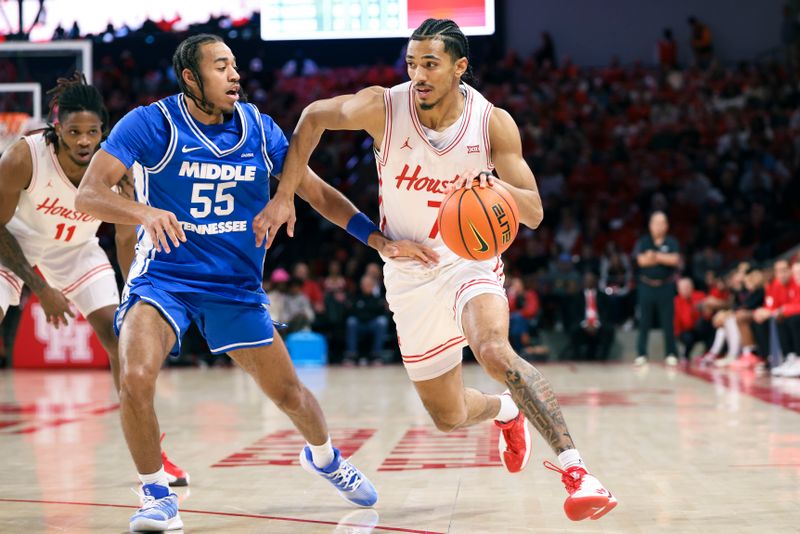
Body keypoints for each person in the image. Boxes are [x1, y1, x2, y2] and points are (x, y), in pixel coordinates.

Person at [259, 18, 617, 521]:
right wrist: (285, 197)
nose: (418, 75)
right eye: (412, 63)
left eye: (430, 64)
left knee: (494, 350)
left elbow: (534, 212)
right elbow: (313, 117)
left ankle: (578, 473)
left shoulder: (491, 123)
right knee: (448, 416)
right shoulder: (384, 107)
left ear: (459, 67)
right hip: (408, 273)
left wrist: (492, 184)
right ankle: (505, 410)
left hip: (468, 260)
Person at [76, 34, 431, 531]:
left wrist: (377, 240)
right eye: (221, 67)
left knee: (290, 395)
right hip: (164, 279)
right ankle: (156, 494)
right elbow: (88, 195)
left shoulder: (260, 130)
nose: (235, 75)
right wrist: (144, 212)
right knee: (134, 378)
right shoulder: (151, 123)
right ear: (190, 78)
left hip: (234, 286)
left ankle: (325, 458)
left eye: (235, 65)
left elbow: (316, 193)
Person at [0, 72, 189, 486]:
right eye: (74, 132)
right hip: (15, 244)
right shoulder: (23, 157)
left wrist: (135, 297)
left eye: (92, 132)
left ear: (103, 129)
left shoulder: (117, 169)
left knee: (122, 342)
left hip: (77, 251)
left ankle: (153, 457)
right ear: (57, 128)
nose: (84, 141)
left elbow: (125, 240)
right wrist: (40, 288)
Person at [633, 211, 681, 366]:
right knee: (644, 321)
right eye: (656, 223)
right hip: (646, 285)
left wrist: (654, 256)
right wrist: (662, 258)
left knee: (668, 322)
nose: (659, 226)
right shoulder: (644, 241)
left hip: (666, 285)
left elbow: (675, 260)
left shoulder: (671, 242)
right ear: (650, 225)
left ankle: (671, 353)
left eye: (662, 223)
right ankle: (641, 353)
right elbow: (641, 261)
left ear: (666, 226)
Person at [343, 274, 389, 366]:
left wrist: (365, 313)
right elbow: (351, 312)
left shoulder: (378, 299)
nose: (366, 287)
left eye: (369, 285)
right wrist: (368, 313)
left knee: (382, 321)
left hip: (372, 324)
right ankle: (352, 355)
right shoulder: (356, 298)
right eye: (365, 285)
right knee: (351, 321)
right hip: (359, 324)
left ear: (373, 286)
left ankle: (376, 355)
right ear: (361, 286)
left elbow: (381, 313)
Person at [673, 277, 711, 361]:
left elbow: (708, 315)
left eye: (687, 287)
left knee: (708, 328)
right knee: (688, 337)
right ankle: (685, 356)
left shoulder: (700, 296)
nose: (686, 290)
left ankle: (709, 354)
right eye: (683, 288)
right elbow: (681, 323)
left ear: (692, 287)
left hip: (700, 329)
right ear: (678, 290)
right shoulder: (676, 301)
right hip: (686, 331)